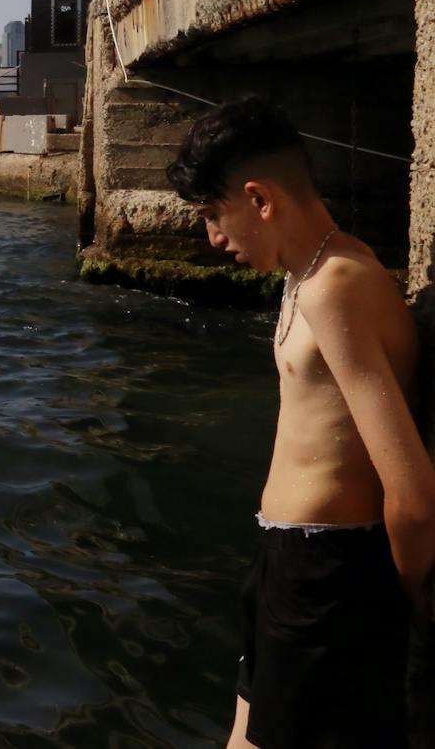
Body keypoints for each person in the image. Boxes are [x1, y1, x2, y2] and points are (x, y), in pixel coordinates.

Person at [165, 99, 435, 749]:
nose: (211, 238)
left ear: (258, 198)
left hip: (327, 573)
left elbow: (412, 490)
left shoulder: (335, 285)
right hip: (287, 561)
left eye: (212, 214)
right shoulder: (305, 275)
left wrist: (414, 601)